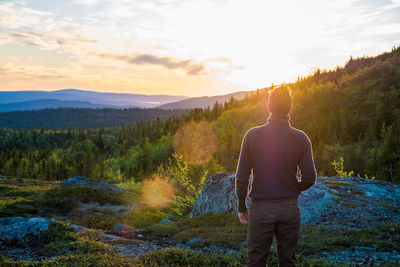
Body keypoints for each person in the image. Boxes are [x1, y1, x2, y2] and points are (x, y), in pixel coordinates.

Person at [235, 85, 317, 267]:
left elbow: (241, 177)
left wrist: (242, 206)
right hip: (289, 208)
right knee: (288, 261)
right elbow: (310, 178)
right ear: (290, 109)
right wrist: (294, 188)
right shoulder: (301, 138)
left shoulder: (252, 136)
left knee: (256, 261)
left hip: (261, 209)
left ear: (269, 107)